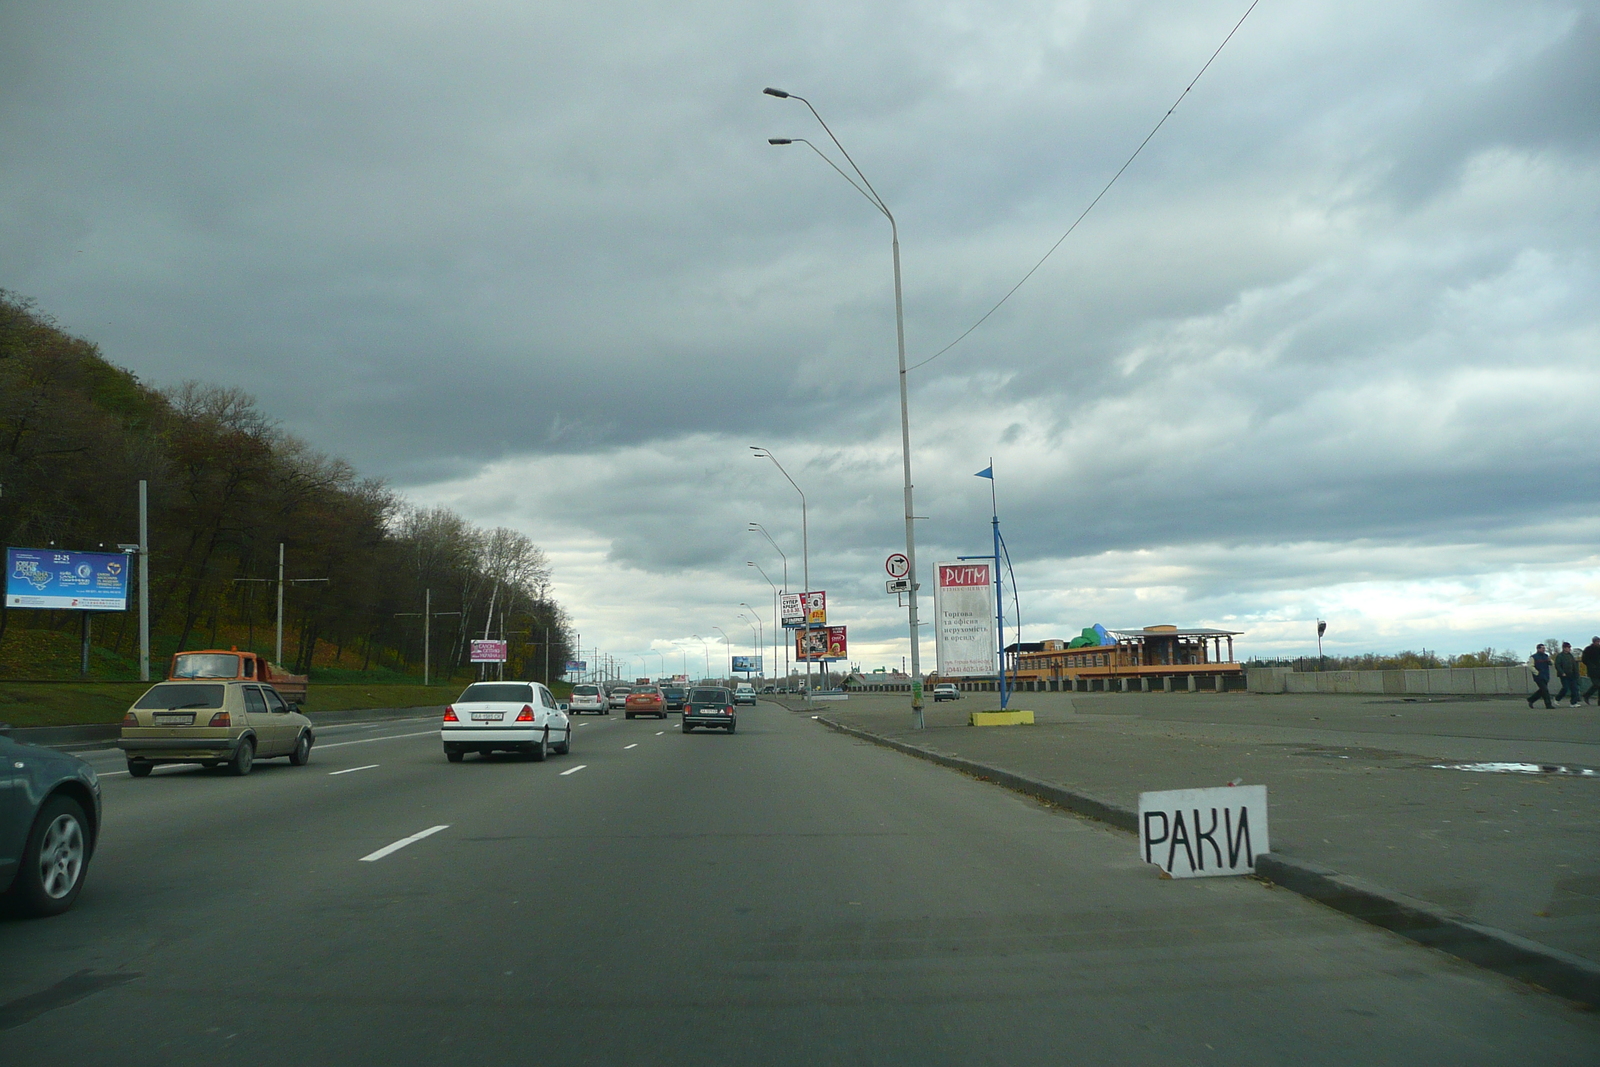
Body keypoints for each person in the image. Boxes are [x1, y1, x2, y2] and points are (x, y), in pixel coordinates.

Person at [1554, 642, 1580, 706]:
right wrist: (1562, 672)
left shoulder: (1570, 656)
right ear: (1564, 648)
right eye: (1568, 647)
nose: (1569, 649)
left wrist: (1576, 673)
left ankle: (1573, 702)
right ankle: (1557, 698)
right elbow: (1557, 665)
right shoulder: (1560, 656)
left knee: (1574, 688)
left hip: (1572, 674)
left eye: (1569, 647)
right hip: (1564, 675)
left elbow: (1574, 665)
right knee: (1565, 688)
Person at [1527, 644, 1554, 709]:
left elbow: (1552, 664)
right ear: (1538, 649)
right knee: (1545, 690)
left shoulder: (1546, 656)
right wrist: (1536, 672)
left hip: (1546, 675)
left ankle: (1531, 699)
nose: (1544, 650)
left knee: (1542, 690)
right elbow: (1530, 666)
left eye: (1544, 648)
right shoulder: (1533, 657)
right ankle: (1548, 705)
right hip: (1538, 676)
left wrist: (1550, 660)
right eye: (1542, 648)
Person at [1582, 637, 1600, 705]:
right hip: (1592, 670)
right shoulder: (1588, 649)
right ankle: (1587, 695)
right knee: (1597, 685)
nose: (1598, 643)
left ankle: (1599, 701)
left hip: (1598, 669)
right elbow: (1584, 659)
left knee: (1598, 685)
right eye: (1597, 641)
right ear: (1594, 642)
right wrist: (1591, 665)